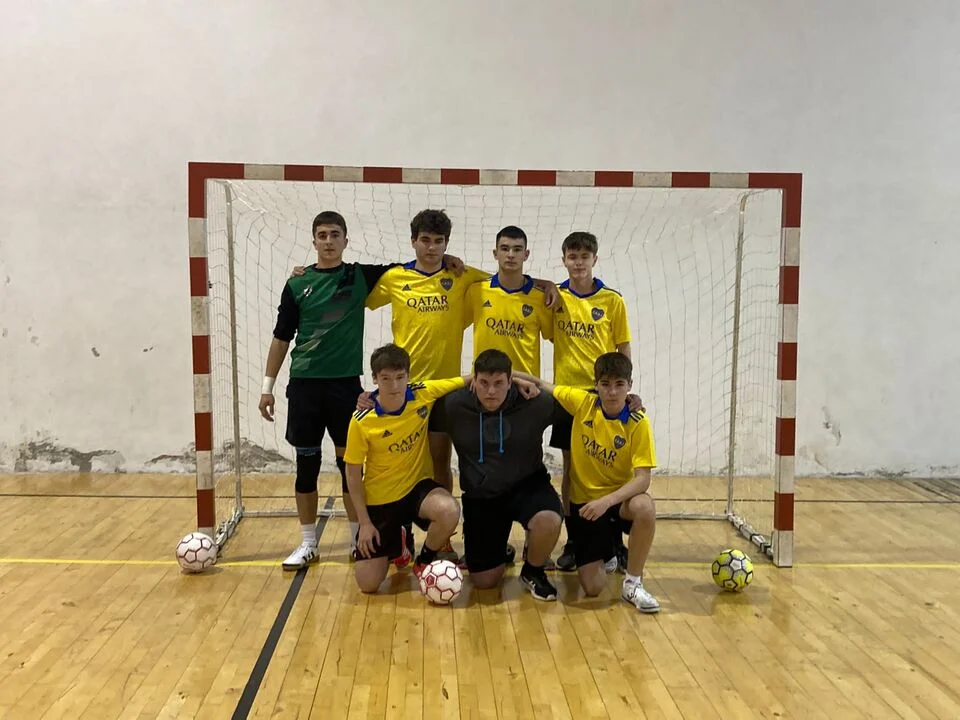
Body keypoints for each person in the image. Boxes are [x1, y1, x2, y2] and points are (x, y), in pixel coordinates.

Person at [259, 210, 463, 570]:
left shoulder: (359, 276)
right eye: (322, 235)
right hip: (304, 385)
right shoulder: (296, 285)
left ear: (345, 240)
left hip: (345, 387)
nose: (328, 241)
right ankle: (308, 542)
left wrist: (446, 259)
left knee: (348, 467)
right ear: (314, 240)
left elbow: (414, 268)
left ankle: (358, 537)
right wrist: (267, 387)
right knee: (306, 467)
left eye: (334, 235)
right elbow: (281, 337)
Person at [513, 353, 660, 613]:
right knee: (593, 588)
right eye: (605, 384)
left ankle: (633, 584)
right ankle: (608, 551)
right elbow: (538, 382)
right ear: (595, 385)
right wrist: (507, 378)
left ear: (630, 385)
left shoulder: (638, 422)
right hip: (587, 506)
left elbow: (643, 479)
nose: (612, 392)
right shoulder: (582, 402)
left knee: (645, 507)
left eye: (619, 384)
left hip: (618, 503)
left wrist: (607, 501)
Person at [429, 349, 563, 601]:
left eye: (499, 383)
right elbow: (411, 398)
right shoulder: (452, 405)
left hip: (527, 486)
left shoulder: (535, 401)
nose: (491, 391)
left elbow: (580, 403)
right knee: (484, 582)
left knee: (549, 519)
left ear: (511, 381)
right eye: (484, 383)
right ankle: (498, 549)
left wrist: (627, 402)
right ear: (474, 380)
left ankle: (533, 571)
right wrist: (371, 399)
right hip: (482, 496)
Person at [343, 344, 465, 593]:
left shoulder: (422, 393)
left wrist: (521, 380)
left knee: (450, 510)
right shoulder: (361, 420)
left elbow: (470, 379)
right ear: (375, 379)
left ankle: (424, 561)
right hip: (380, 501)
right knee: (367, 585)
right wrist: (364, 523)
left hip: (416, 489)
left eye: (400, 377)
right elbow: (352, 474)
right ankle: (398, 543)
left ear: (408, 376)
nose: (395, 386)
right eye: (386, 379)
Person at [549, 231, 632, 572]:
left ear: (594, 259)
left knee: (610, 468)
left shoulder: (612, 300)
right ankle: (575, 541)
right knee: (572, 471)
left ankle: (614, 543)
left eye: (585, 256)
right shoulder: (555, 297)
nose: (578, 262)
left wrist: (624, 390)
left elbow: (623, 347)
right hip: (569, 399)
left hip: (604, 396)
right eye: (573, 256)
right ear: (564, 259)